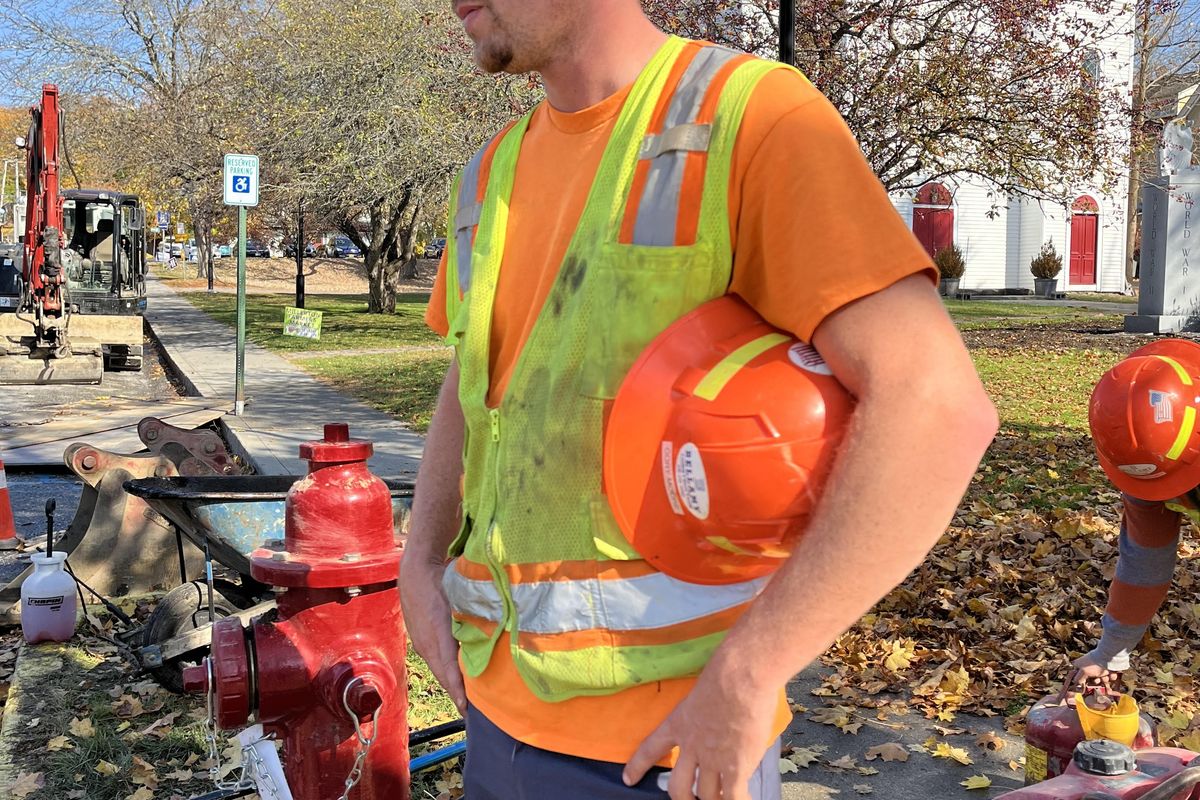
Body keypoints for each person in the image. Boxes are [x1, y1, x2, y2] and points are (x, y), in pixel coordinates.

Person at [399, 2, 999, 799]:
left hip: (669, 756)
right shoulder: (489, 174)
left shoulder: (751, 115)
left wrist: (752, 675)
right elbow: (475, 379)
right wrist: (420, 558)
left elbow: (936, 408)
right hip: (493, 717)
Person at [1071, 340, 1200, 690]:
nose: (1168, 496)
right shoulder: (1151, 457)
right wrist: (1111, 651)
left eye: (1178, 483)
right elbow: (1146, 562)